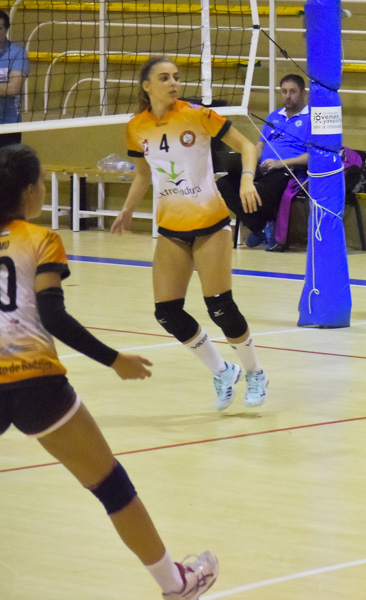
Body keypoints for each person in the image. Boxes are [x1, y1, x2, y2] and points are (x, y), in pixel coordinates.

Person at [0, 144, 218, 599]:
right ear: (30, 192)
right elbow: (53, 316)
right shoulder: (39, 239)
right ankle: (176, 584)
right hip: (34, 379)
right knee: (110, 484)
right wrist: (114, 359)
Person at [111, 57, 268, 410]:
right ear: (146, 86)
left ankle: (255, 372)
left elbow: (247, 146)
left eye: (176, 77)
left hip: (210, 224)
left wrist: (245, 179)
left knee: (220, 308)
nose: (173, 83)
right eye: (164, 78)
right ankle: (222, 370)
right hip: (171, 229)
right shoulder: (136, 126)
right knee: (166, 312)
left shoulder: (197, 114)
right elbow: (143, 174)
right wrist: (127, 209)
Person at [217, 73, 309, 251]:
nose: (288, 96)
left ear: (303, 93)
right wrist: (249, 164)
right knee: (224, 184)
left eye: (293, 91)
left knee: (256, 191)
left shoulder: (311, 118)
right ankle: (261, 227)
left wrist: (280, 163)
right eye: (284, 91)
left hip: (288, 172)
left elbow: (312, 156)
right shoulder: (274, 116)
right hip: (265, 168)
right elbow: (259, 147)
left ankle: (260, 228)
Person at [0, 10, 29, 147]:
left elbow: (13, 88)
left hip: (8, 125)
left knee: (7, 166)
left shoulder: (17, 53)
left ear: (6, 30)